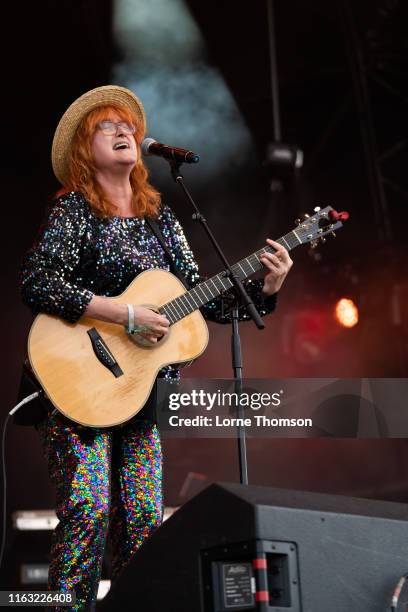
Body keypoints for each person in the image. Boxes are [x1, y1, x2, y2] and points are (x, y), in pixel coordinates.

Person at [19, 85, 293, 610]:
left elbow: (201, 301)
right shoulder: (75, 212)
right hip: (76, 383)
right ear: (84, 148)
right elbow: (37, 282)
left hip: (139, 393)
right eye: (108, 126)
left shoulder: (162, 219)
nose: (124, 132)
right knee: (88, 507)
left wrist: (267, 287)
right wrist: (122, 313)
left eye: (128, 126)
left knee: (144, 518)